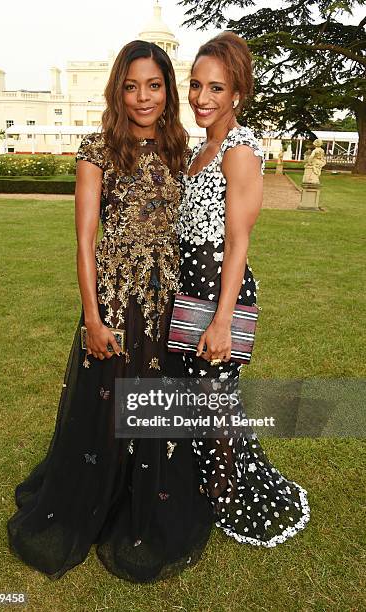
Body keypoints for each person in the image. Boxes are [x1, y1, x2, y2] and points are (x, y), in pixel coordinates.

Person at [7, 40, 214, 583]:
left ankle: (142, 498)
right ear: (116, 90)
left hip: (164, 305)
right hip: (116, 306)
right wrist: (94, 319)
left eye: (154, 85)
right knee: (105, 406)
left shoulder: (179, 149)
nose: (143, 97)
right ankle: (91, 498)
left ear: (168, 89)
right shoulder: (97, 148)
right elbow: (84, 244)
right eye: (131, 85)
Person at [177, 32, 311, 546]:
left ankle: (225, 492)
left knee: (215, 397)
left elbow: (237, 240)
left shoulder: (239, 151)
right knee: (197, 397)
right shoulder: (201, 146)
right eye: (195, 86)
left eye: (216, 88)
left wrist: (222, 319)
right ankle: (201, 481)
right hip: (191, 285)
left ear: (237, 93)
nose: (202, 98)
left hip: (219, 289)